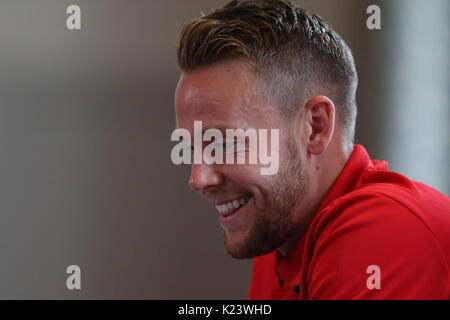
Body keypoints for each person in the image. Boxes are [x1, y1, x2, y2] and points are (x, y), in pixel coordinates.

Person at [174, 0, 450, 299]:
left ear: (315, 127)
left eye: (224, 143)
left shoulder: (385, 230)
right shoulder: (278, 237)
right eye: (192, 148)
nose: (197, 179)